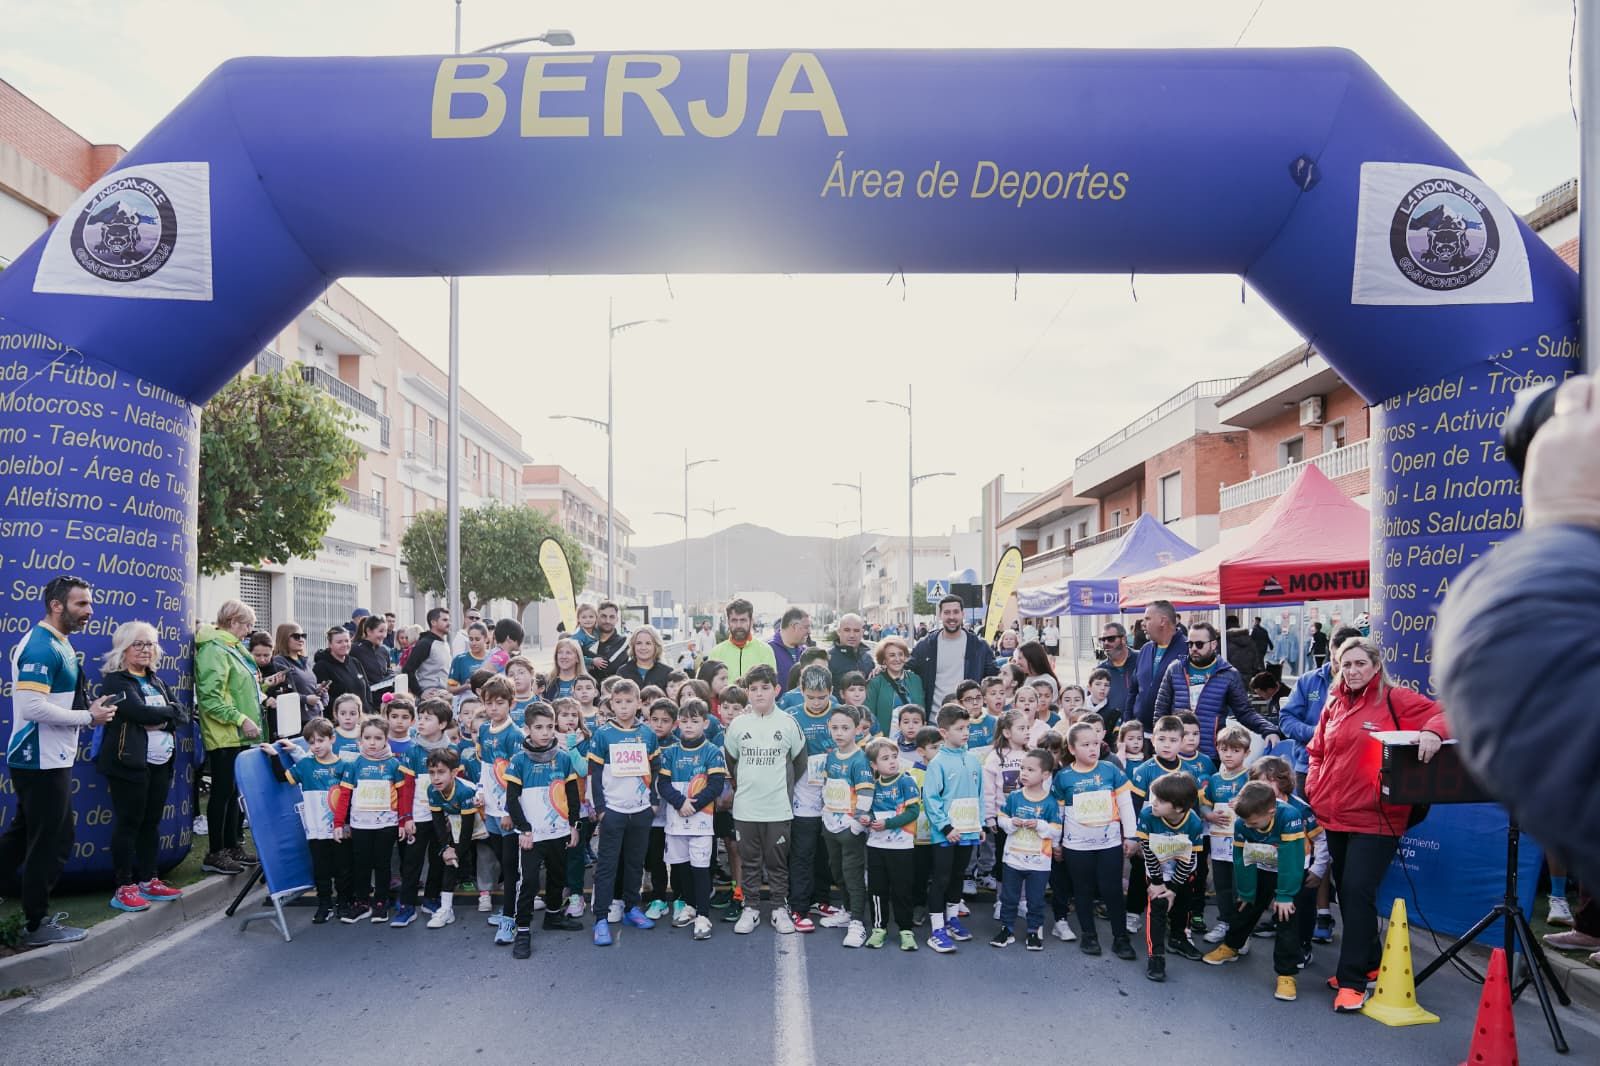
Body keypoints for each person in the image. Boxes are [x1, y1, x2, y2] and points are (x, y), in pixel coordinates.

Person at [1305, 636, 1446, 1013]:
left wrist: (1432, 732)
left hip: (1378, 818)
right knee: (1349, 892)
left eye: (1359, 664)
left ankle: (1352, 981)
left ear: (1376, 666)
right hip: (1336, 815)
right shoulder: (1334, 702)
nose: (1351, 671)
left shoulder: (1396, 699)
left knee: (1356, 890)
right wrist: (1314, 786)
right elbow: (1317, 751)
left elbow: (1448, 713)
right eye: (1345, 664)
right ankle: (1368, 964)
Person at [96, 621, 188, 913]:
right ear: (123, 648)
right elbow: (138, 712)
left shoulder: (156, 680)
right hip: (129, 763)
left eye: (150, 644)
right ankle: (124, 887)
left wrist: (160, 719)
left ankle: (149, 880)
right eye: (138, 644)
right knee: (129, 823)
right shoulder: (116, 681)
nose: (146, 649)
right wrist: (164, 715)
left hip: (161, 763)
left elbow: (182, 713)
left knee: (151, 823)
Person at [1202, 781, 1308, 1003]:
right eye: (1245, 822)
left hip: (1290, 870)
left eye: (1254, 823)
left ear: (1271, 812)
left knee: (1286, 917)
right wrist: (1246, 891)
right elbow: (1242, 859)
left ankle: (1286, 974)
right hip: (1261, 863)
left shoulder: (1290, 816)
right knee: (1245, 905)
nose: (1248, 826)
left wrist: (1285, 895)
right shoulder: (1243, 823)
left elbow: (1292, 858)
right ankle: (1232, 946)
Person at [722, 663, 807, 935]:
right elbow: (732, 761)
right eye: (754, 688)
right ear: (747, 692)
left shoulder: (788, 723)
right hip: (746, 808)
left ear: (777, 690)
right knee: (749, 862)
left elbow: (799, 762)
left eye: (765, 688)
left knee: (777, 863)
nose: (759, 693)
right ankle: (751, 907)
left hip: (778, 808)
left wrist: (781, 787)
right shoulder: (738, 725)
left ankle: (780, 908)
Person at [194, 599, 269, 875]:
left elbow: (241, 688)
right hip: (225, 733)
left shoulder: (232, 648)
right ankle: (216, 852)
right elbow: (210, 698)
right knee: (222, 792)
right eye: (247, 625)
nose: (250, 631)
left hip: (239, 734)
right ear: (233, 622)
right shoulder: (214, 649)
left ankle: (232, 845)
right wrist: (240, 719)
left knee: (234, 792)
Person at [504, 702, 584, 959]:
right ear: (527, 729)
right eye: (539, 727)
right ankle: (523, 930)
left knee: (557, 876)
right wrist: (524, 830)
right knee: (528, 882)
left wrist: (574, 826)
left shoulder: (564, 758)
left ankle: (553, 915)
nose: (546, 732)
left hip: (559, 832)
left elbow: (572, 797)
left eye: (550, 727)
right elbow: (511, 800)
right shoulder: (518, 760)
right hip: (532, 836)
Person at [1051, 722, 1138, 959]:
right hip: (1076, 846)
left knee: (1112, 890)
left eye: (1096, 743)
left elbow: (1126, 805)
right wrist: (1056, 843)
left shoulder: (1111, 770)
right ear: (1071, 748)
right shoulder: (1063, 777)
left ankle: (1121, 938)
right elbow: (1058, 814)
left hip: (1109, 844)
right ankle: (1089, 935)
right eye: (1085, 744)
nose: (1093, 748)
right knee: (1083, 890)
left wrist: (1131, 836)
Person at [586, 678, 661, 946]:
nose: (624, 707)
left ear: (639, 703)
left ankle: (632, 908)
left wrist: (653, 802)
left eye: (629, 701)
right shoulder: (603, 734)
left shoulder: (648, 734)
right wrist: (600, 808)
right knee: (607, 865)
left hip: (641, 810)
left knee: (635, 862)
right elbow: (594, 774)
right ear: (611, 704)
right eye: (618, 702)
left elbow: (655, 769)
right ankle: (601, 918)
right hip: (613, 810)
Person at [1153, 621, 1281, 758]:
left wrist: (1269, 729)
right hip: (1176, 752)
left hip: (1211, 753)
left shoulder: (1229, 674)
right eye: (1190, 644)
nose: (1194, 648)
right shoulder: (1175, 669)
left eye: (1199, 644)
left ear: (1213, 644)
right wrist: (1160, 742)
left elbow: (1245, 712)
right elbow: (1161, 710)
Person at [655, 697, 726, 941]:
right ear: (678, 723)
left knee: (700, 867)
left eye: (694, 721)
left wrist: (693, 805)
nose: (688, 726)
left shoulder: (712, 752)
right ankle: (690, 905)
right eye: (684, 721)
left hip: (701, 821)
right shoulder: (671, 752)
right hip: (676, 819)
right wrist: (680, 802)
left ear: (705, 723)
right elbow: (663, 783)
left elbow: (716, 785)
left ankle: (703, 915)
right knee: (681, 865)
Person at [331, 717, 414, 923]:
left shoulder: (394, 764)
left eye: (378, 738)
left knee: (382, 864)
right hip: (360, 825)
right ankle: (362, 903)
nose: (372, 742)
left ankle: (380, 903)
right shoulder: (354, 764)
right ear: (360, 739)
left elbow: (403, 796)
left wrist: (402, 821)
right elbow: (344, 796)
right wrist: (339, 823)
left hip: (387, 825)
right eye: (367, 738)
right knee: (362, 864)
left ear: (386, 740)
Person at [261, 719, 344, 923]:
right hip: (316, 830)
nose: (316, 746)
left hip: (340, 829)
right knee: (321, 871)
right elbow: (283, 777)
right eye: (311, 742)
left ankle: (344, 903)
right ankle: (325, 905)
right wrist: (274, 756)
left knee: (343, 869)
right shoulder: (306, 765)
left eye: (320, 740)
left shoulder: (344, 766)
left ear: (332, 739)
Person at [921, 705, 984, 953]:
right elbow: (931, 799)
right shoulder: (937, 763)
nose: (965, 732)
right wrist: (946, 827)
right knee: (942, 878)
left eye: (967, 727)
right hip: (945, 834)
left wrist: (979, 824)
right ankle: (937, 929)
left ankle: (952, 919)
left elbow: (979, 795)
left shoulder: (973, 760)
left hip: (968, 830)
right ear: (944, 732)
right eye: (959, 728)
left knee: (958, 875)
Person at [1137, 771, 1206, 982]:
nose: (1154, 803)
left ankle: (1178, 938)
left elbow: (1188, 859)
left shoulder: (1194, 823)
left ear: (1178, 807)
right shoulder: (1148, 815)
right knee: (1157, 909)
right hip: (1157, 871)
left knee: (1182, 907)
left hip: (1182, 872)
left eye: (1160, 800)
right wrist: (1157, 883)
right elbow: (1147, 851)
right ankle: (1156, 955)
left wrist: (1174, 889)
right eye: (1154, 797)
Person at [992, 747, 1062, 951]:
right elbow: (1001, 818)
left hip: (1039, 862)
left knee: (1036, 899)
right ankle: (1006, 929)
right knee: (1008, 898)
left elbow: (1056, 830)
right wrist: (1010, 823)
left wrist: (1040, 825)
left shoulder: (1050, 802)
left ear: (1045, 775)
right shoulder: (1014, 797)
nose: (1023, 773)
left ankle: (1033, 930)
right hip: (1013, 858)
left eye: (1030, 770)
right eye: (1022, 768)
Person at [819, 704, 874, 947]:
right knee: (837, 871)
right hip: (831, 825)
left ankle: (858, 923)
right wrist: (825, 814)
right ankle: (847, 911)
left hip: (850, 829)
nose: (839, 733)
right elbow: (827, 786)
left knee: (853, 874)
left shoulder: (860, 759)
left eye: (845, 728)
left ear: (857, 729)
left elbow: (866, 794)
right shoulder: (831, 756)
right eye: (835, 728)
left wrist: (856, 825)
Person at [862, 737, 922, 950]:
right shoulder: (872, 786)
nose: (892, 761)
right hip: (876, 846)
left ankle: (906, 930)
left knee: (902, 890)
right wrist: (867, 819)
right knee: (877, 890)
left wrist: (887, 824)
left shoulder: (906, 781)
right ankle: (879, 929)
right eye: (885, 758)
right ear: (874, 765)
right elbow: (868, 811)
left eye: (894, 757)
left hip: (901, 847)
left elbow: (913, 812)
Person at [1199, 726, 1254, 945]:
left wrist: (1244, 806)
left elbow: (1260, 806)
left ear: (1247, 752)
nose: (1229, 755)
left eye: (1235, 750)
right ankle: (1224, 921)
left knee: (1241, 887)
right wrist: (1209, 814)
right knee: (1222, 885)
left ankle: (1241, 930)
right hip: (1219, 843)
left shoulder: (1251, 778)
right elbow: (1204, 804)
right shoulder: (1214, 779)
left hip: (1243, 845)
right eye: (1224, 750)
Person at [907, 595, 999, 712]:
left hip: (969, 717)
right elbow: (906, 672)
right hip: (934, 718)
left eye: (956, 612)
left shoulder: (979, 647)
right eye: (947, 612)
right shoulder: (925, 646)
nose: (951, 617)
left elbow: (994, 678)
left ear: (962, 614)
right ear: (940, 615)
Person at [422, 746, 478, 929]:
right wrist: (446, 848)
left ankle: (525, 896)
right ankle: (446, 909)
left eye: (441, 772)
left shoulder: (465, 791)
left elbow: (469, 829)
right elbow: (438, 822)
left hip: (481, 822)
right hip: (457, 821)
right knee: (449, 862)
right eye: (432, 773)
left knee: (500, 857)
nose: (435, 778)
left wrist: (456, 851)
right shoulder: (432, 790)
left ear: (454, 773)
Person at [1128, 601, 1187, 732]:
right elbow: (1133, 690)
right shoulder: (1145, 649)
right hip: (1141, 733)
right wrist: (1127, 721)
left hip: (1171, 734)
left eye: (1148, 618)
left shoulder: (1188, 649)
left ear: (1162, 621)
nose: (1143, 623)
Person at [863, 636, 924, 739]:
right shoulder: (875, 683)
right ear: (884, 660)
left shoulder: (915, 680)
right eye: (892, 655)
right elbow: (869, 716)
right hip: (885, 740)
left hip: (913, 740)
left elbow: (921, 710)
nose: (897, 659)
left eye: (900, 654)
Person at [706, 598, 778, 679]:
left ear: (751, 621)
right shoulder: (716, 653)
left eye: (743, 620)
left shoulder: (765, 651)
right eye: (734, 620)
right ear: (728, 622)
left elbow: (770, 684)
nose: (738, 625)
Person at [270, 622, 326, 720]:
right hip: (295, 718)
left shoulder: (304, 661)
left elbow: (304, 687)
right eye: (296, 636)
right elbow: (283, 692)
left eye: (303, 636)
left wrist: (318, 689)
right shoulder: (279, 661)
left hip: (314, 716)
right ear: (284, 638)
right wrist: (305, 699)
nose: (301, 639)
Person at [314, 625, 371, 719]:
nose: (344, 644)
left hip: (363, 718)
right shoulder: (321, 667)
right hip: (341, 721)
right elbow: (324, 699)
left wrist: (369, 711)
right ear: (330, 644)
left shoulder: (355, 662)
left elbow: (367, 689)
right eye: (339, 642)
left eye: (347, 641)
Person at [404, 607, 453, 696]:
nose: (449, 623)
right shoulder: (425, 644)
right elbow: (407, 670)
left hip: (444, 694)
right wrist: (420, 693)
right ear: (433, 622)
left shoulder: (445, 644)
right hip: (430, 696)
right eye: (445, 620)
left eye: (449, 620)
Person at [351, 614, 394, 708]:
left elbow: (387, 670)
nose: (384, 635)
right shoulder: (355, 649)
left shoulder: (384, 650)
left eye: (385, 631)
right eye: (381, 631)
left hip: (383, 701)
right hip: (364, 701)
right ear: (369, 631)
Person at [613, 624, 673, 692]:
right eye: (639, 643)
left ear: (656, 646)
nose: (643, 647)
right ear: (633, 646)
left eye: (648, 643)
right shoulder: (623, 672)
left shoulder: (667, 672)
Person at [827, 613, 875, 692]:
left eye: (856, 631)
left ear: (862, 633)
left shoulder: (868, 659)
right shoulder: (828, 659)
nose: (852, 635)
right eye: (847, 630)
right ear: (839, 632)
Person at [768, 608, 812, 694]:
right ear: (794, 626)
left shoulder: (806, 652)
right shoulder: (768, 650)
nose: (809, 632)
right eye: (806, 627)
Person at [586, 602, 628, 683]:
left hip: (612, 689)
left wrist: (588, 659)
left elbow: (608, 667)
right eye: (603, 616)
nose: (607, 621)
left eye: (612, 617)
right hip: (585, 688)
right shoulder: (585, 639)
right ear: (596, 617)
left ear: (617, 619)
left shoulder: (623, 642)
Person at [449, 622, 491, 694]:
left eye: (477, 639)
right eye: (471, 639)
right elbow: (450, 689)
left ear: (486, 639)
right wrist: (465, 687)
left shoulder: (494, 657)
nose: (473, 643)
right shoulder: (459, 659)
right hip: (467, 700)